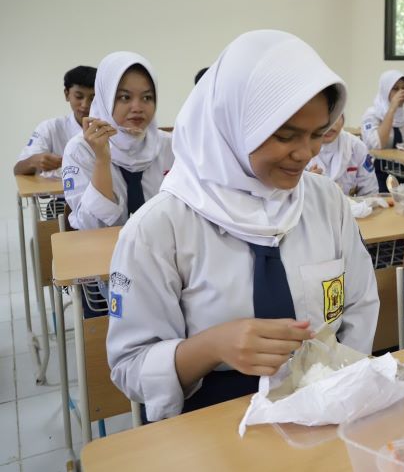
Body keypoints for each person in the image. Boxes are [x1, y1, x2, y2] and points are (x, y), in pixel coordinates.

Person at [106, 30, 379, 421]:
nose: (304, 154)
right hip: (214, 418)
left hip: (324, 402)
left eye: (318, 135)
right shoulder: (160, 228)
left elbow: (360, 305)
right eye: (285, 136)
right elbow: (129, 366)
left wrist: (343, 389)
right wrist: (211, 346)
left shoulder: (326, 201)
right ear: (232, 126)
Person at [61, 52, 173, 230]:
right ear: (105, 98)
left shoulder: (171, 146)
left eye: (147, 97)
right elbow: (91, 227)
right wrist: (102, 159)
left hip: (162, 251)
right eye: (124, 97)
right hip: (103, 254)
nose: (137, 108)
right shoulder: (81, 149)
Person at [14, 66, 96, 176]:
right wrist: (35, 161)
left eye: (93, 98)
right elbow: (18, 170)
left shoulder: (111, 129)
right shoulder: (50, 128)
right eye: (78, 96)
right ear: (67, 94)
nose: (85, 105)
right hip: (58, 192)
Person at [361, 70, 404, 191]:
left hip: (403, 170)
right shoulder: (371, 115)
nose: (401, 92)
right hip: (377, 171)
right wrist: (392, 109)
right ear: (385, 90)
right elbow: (378, 144)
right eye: (395, 88)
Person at [307, 114, 378, 196]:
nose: (329, 125)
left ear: (343, 119)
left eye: (335, 115)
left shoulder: (356, 147)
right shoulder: (298, 148)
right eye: (322, 117)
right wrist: (306, 185)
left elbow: (370, 192)